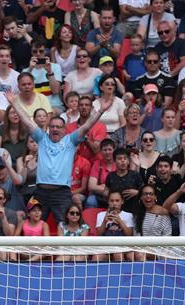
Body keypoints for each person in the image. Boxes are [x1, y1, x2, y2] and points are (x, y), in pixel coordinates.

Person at [6, 90, 111, 224]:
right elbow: (27, 121)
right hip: (41, 192)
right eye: (52, 127)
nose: (55, 129)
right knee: (34, 226)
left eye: (58, 127)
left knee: (67, 226)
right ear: (48, 128)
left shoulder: (70, 140)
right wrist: (14, 104)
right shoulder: (41, 138)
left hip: (62, 193)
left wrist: (100, 111)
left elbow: (86, 126)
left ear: (64, 129)